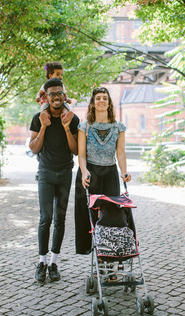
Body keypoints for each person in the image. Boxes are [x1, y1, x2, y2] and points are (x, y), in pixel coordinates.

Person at [29, 77, 79, 282]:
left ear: (64, 96)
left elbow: (75, 150)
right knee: (45, 218)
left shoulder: (73, 119)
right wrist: (43, 127)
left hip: (65, 173)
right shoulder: (38, 118)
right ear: (46, 97)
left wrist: (67, 127)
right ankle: (41, 262)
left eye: (59, 93)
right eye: (52, 94)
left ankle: (54, 263)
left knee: (60, 219)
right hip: (46, 174)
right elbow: (33, 149)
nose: (56, 97)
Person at [74, 87, 131, 255]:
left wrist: (124, 172)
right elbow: (81, 155)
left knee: (110, 216)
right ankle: (94, 253)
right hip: (89, 175)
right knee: (89, 217)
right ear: (92, 103)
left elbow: (120, 152)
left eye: (105, 98)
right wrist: (84, 171)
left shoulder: (118, 127)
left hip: (110, 174)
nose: (101, 100)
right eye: (98, 98)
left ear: (109, 103)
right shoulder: (84, 127)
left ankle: (109, 257)